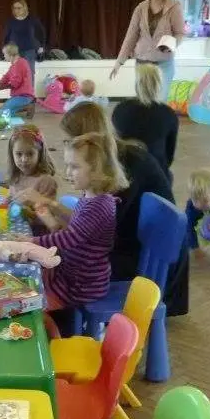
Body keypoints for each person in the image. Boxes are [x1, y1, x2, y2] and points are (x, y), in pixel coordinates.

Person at [59, 102, 189, 317]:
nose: (67, 147)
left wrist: (55, 215)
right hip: (133, 242)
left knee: (64, 266)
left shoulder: (124, 166)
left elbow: (95, 232)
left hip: (145, 257)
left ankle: (64, 328)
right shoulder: (111, 159)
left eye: (69, 140)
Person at [24, 132, 127, 337]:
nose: (68, 172)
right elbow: (78, 229)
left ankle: (56, 339)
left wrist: (32, 242)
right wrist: (52, 219)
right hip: (74, 274)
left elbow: (70, 239)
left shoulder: (99, 205)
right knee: (31, 277)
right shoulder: (91, 198)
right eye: (68, 165)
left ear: (97, 170)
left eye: (75, 166)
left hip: (82, 284)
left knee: (32, 300)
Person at [110, 0, 184, 101]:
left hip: (164, 63)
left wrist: (172, 43)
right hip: (143, 62)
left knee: (160, 101)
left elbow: (180, 33)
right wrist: (119, 62)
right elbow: (130, 36)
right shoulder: (140, 8)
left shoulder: (174, 7)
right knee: (143, 101)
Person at [111, 63, 179, 179]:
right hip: (156, 173)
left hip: (125, 173)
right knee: (170, 176)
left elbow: (114, 145)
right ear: (159, 85)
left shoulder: (120, 109)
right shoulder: (169, 114)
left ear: (137, 85)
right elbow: (169, 155)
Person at [2, 0, 45, 79]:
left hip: (29, 51)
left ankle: (29, 92)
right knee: (16, 74)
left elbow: (41, 33)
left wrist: (41, 47)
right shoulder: (10, 21)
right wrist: (5, 50)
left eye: (19, 8)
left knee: (29, 73)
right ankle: (18, 92)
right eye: (14, 8)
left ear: (24, 8)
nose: (16, 10)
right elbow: (6, 37)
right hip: (15, 52)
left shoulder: (32, 19)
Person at [0, 43, 35, 115]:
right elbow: (6, 77)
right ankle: (25, 107)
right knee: (5, 111)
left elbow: (15, 84)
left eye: (4, 54)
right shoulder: (15, 64)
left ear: (10, 55)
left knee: (3, 113)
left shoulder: (20, 64)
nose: (4, 56)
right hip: (19, 96)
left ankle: (27, 105)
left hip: (24, 97)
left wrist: (0, 86)